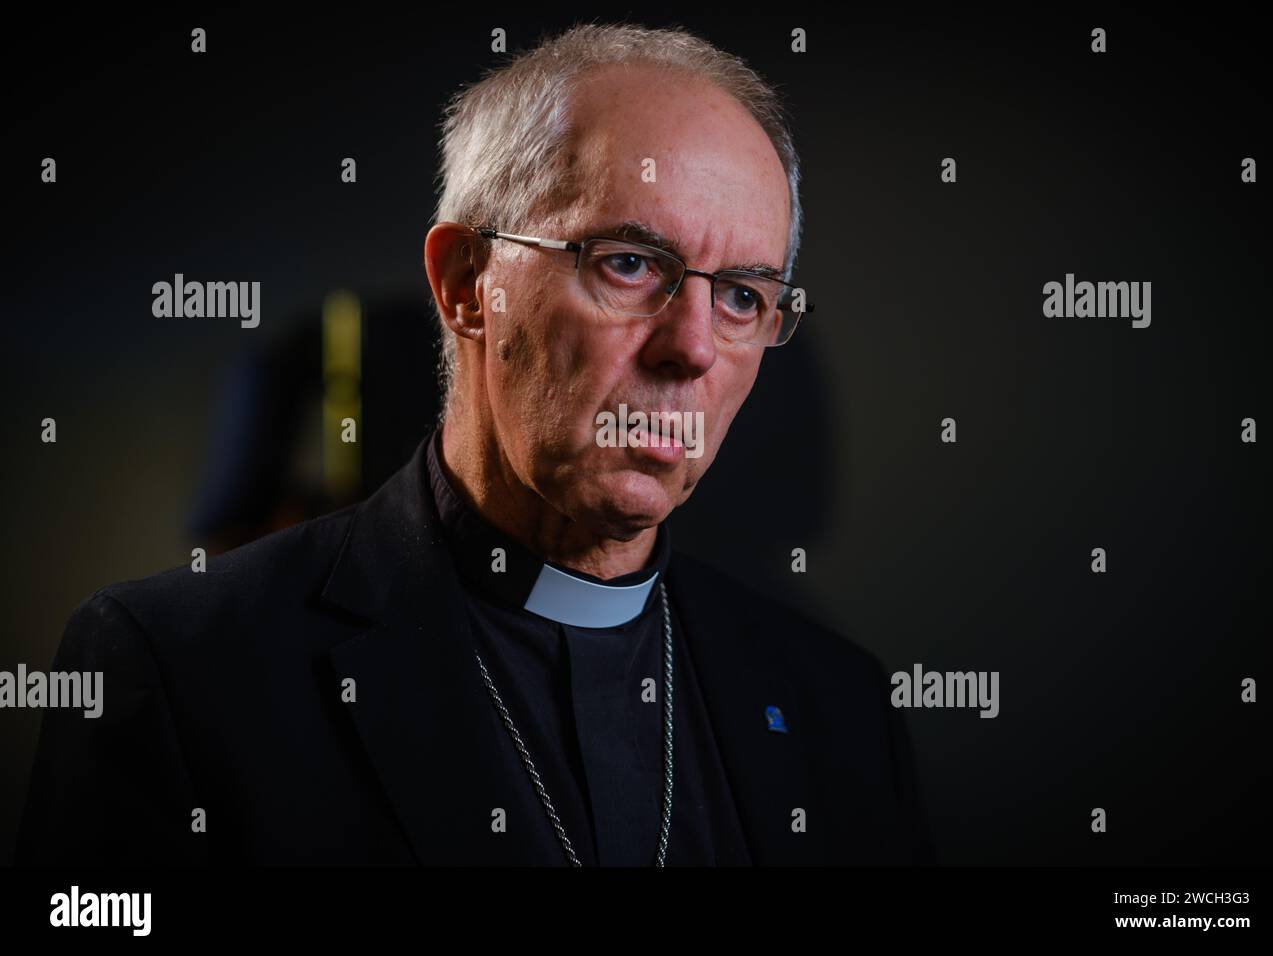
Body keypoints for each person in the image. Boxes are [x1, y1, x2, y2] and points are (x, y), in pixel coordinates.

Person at [16, 22, 934, 866]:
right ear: (465, 281)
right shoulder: (179, 669)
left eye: (742, 294)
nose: (693, 346)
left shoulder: (838, 706)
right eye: (627, 263)